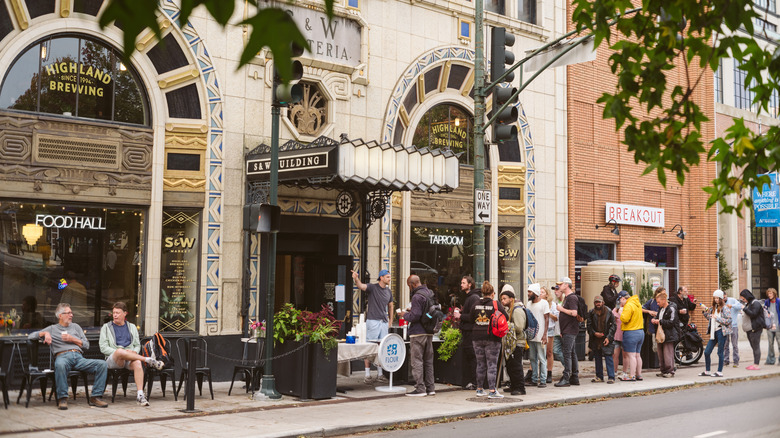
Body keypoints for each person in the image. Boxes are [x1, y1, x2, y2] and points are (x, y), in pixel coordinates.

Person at [28, 303, 109, 410]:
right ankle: (63, 398)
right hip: (63, 357)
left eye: (71, 313)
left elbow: (87, 345)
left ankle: (96, 397)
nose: (71, 315)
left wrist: (73, 339)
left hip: (79, 358)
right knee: (60, 365)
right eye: (68, 313)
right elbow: (31, 336)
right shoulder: (52, 328)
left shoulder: (76, 327)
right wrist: (44, 334)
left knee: (102, 364)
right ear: (60, 315)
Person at [99, 302, 164, 406]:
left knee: (138, 363)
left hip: (130, 358)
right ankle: (147, 360)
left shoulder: (132, 327)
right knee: (120, 351)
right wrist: (121, 352)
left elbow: (137, 345)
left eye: (118, 313)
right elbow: (103, 347)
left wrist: (134, 351)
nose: (115, 315)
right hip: (114, 359)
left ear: (125, 313)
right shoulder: (106, 327)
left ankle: (140, 395)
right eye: (114, 313)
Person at [352, 269, 394, 383]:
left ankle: (380, 374)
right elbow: (360, 286)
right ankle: (367, 375)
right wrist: (356, 278)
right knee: (370, 346)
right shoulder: (372, 287)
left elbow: (391, 306)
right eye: (387, 277)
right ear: (381, 278)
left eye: (390, 277)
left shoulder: (388, 292)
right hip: (373, 321)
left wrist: (390, 320)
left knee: (381, 347)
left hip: (383, 322)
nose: (389, 279)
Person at [468, 281, 507, 398]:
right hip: (492, 338)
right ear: (492, 293)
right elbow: (505, 316)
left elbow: (470, 319)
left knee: (480, 364)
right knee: (492, 364)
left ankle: (479, 389)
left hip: (476, 337)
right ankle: (492, 390)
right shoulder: (496, 304)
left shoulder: (475, 304)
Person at [402, 275, 436, 396]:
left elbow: (415, 316)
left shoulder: (416, 297)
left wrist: (404, 315)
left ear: (412, 284)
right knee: (428, 361)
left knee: (417, 361)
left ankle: (420, 388)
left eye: (409, 286)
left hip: (417, 333)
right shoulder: (429, 293)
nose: (409, 288)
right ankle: (431, 388)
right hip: (429, 331)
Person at [500, 286, 526, 395]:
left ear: (511, 299)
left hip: (518, 342)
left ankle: (520, 388)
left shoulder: (517, 310)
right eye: (501, 299)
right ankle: (514, 385)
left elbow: (519, 327)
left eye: (504, 298)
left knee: (516, 366)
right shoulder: (510, 310)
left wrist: (507, 326)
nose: (502, 301)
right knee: (510, 366)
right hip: (512, 343)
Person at [554, 277, 580, 387]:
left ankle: (566, 378)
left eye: (561, 284)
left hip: (570, 330)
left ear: (566, 285)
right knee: (572, 353)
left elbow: (574, 313)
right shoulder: (567, 298)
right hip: (567, 330)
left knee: (567, 353)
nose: (559, 286)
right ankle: (574, 377)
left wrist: (561, 309)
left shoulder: (571, 298)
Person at [699, 290, 732, 377]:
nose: (716, 300)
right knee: (706, 352)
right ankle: (707, 371)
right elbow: (709, 318)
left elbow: (729, 320)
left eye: (718, 298)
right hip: (713, 332)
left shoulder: (725, 308)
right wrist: (705, 312)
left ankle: (719, 371)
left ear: (721, 299)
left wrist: (717, 318)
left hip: (721, 331)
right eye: (715, 298)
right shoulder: (713, 307)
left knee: (720, 352)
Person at [458, 275, 480, 390]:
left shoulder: (473, 298)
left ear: (469, 284)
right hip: (467, 331)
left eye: (463, 283)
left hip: (470, 332)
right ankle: (472, 381)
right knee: (470, 357)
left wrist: (461, 315)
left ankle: (475, 382)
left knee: (472, 358)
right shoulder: (469, 297)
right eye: (461, 283)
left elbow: (474, 316)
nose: (461, 285)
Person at [587, 295, 616, 383]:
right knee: (597, 357)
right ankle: (599, 376)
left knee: (608, 357)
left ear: (603, 302)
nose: (598, 304)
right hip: (596, 338)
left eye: (599, 302)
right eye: (596, 302)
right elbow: (589, 325)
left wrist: (608, 337)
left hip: (606, 337)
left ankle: (611, 377)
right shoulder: (591, 312)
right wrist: (594, 333)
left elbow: (614, 325)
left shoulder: (609, 311)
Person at [526, 283, 550, 388]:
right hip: (531, 336)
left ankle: (543, 379)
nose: (528, 294)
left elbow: (547, 319)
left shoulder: (544, 303)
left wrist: (545, 334)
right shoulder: (528, 304)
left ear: (535, 293)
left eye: (530, 292)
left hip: (541, 336)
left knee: (541, 358)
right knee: (532, 358)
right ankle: (534, 379)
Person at [651, 290, 680, 378]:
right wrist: (655, 319)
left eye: (658, 302)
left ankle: (670, 371)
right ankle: (663, 370)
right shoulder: (661, 309)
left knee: (668, 353)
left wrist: (659, 321)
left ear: (664, 300)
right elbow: (659, 317)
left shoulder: (671, 308)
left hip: (669, 334)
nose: (657, 304)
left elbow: (672, 322)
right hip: (661, 334)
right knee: (660, 353)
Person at [619, 290, 644, 381]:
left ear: (623, 298)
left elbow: (625, 319)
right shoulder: (637, 304)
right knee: (638, 355)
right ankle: (639, 374)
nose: (620, 303)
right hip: (640, 332)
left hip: (631, 332)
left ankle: (631, 375)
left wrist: (621, 313)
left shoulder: (628, 305)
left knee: (631, 356)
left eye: (620, 301)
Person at [541, 286, 562, 384]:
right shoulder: (538, 304)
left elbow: (556, 318)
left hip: (549, 329)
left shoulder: (552, 305)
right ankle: (540, 373)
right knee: (539, 352)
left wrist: (548, 313)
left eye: (543, 292)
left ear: (547, 294)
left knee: (549, 352)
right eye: (540, 292)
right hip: (540, 329)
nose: (541, 294)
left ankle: (549, 373)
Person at [740, 289, 764, 370]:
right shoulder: (749, 303)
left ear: (747, 296)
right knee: (753, 346)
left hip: (755, 328)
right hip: (750, 329)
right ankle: (755, 363)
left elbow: (753, 314)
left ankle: (756, 365)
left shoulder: (755, 303)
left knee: (756, 346)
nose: (743, 300)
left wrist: (744, 308)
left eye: (743, 298)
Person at [723, 293, 743, 367]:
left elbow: (740, 306)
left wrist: (732, 306)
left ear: (726, 295)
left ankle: (736, 361)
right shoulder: (721, 303)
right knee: (725, 345)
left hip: (734, 325)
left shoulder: (732, 300)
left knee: (734, 345)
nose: (723, 298)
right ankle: (726, 361)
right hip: (725, 326)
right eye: (722, 297)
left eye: (724, 297)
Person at [612, 293, 628, 380]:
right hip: (616, 334)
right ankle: (614, 371)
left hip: (625, 334)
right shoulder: (616, 309)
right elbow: (613, 317)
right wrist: (617, 307)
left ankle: (624, 372)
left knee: (625, 354)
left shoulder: (628, 308)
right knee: (615, 354)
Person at [764, 288, 780, 365]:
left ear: (774, 294)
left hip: (778, 326)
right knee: (770, 343)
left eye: (771, 293)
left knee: (779, 343)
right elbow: (765, 313)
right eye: (768, 294)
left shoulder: (778, 302)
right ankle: (770, 360)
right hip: (770, 326)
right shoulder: (767, 302)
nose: (769, 295)